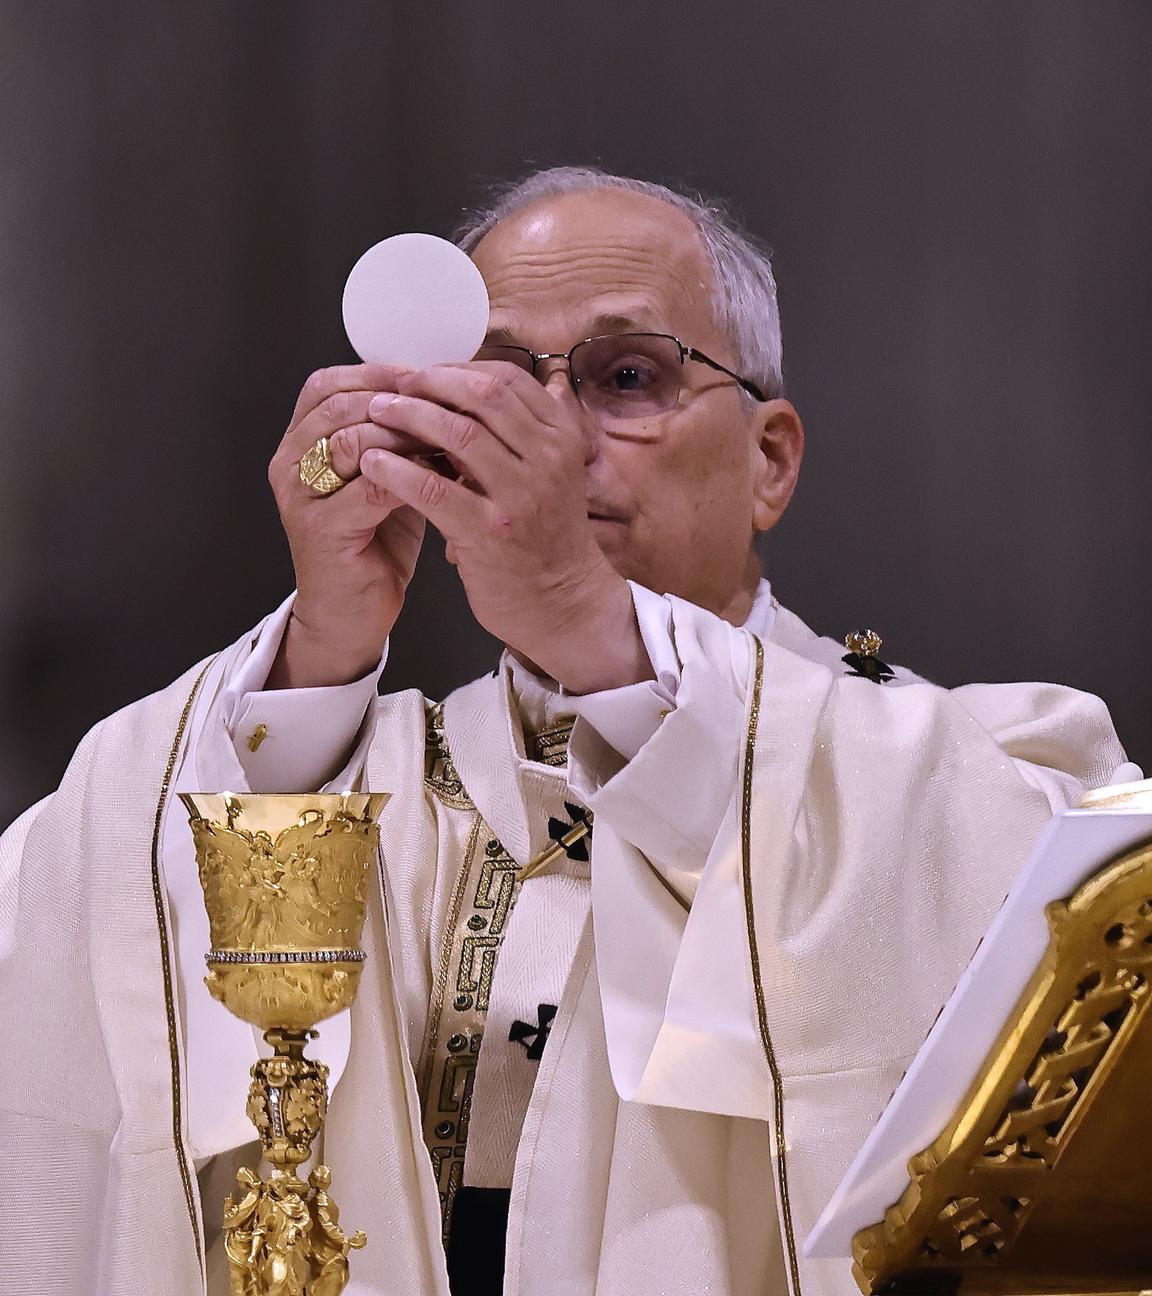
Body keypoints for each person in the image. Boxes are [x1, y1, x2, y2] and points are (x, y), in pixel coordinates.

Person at [0, 167, 1134, 1296]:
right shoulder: (352, 766)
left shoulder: (971, 770)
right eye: (490, 384)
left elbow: (1067, 954)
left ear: (771, 461)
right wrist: (317, 652)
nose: (542, 431)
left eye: (626, 376)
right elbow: (78, 914)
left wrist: (591, 622)